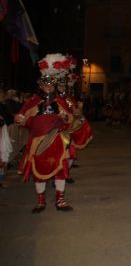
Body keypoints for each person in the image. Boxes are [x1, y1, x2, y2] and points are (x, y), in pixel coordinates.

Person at [15, 53, 75, 213]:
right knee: (39, 171)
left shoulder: (62, 101)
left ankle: (60, 200)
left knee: (61, 170)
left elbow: (70, 119)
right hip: (38, 141)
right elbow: (21, 120)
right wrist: (24, 117)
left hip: (56, 139)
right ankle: (40, 202)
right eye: (45, 84)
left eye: (51, 85)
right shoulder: (32, 101)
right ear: (40, 85)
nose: (49, 87)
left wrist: (64, 115)